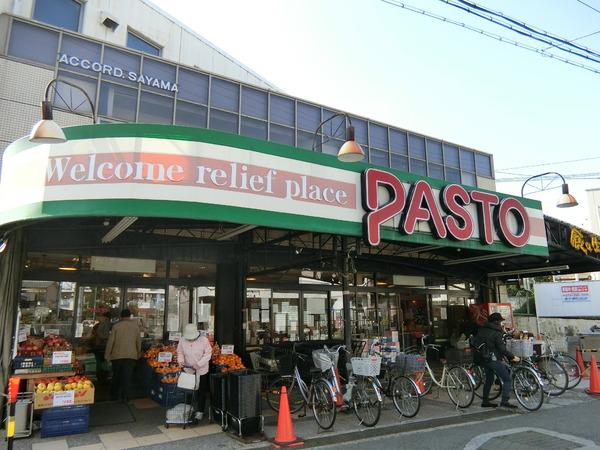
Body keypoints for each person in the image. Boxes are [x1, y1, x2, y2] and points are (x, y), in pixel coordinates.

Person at [474, 312, 520, 409]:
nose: (501, 323)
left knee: (489, 380)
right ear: (496, 322)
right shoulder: (497, 333)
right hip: (493, 359)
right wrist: (512, 357)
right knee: (507, 379)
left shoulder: (481, 330)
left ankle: (485, 402)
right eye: (500, 321)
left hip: (484, 358)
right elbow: (502, 349)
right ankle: (504, 401)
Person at [177, 323, 212, 420]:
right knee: (188, 391)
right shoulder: (182, 340)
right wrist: (181, 361)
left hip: (202, 369)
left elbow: (208, 354)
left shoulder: (204, 340)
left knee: (201, 391)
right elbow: (180, 352)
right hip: (188, 369)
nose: (190, 339)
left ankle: (200, 411)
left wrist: (199, 364)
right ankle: (188, 410)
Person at [105, 309, 141, 402]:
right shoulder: (136, 327)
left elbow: (110, 342)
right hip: (131, 355)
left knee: (116, 375)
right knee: (127, 377)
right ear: (130, 316)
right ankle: (125, 396)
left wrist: (107, 354)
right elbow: (138, 342)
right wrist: (138, 353)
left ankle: (115, 395)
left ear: (121, 316)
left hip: (117, 355)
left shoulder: (116, 326)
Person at [91, 311, 112, 384]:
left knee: (100, 360)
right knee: (103, 360)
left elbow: (98, 333)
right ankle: (103, 376)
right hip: (103, 344)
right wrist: (106, 337)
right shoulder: (106, 323)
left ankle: (101, 376)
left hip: (100, 344)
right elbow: (100, 333)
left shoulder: (102, 323)